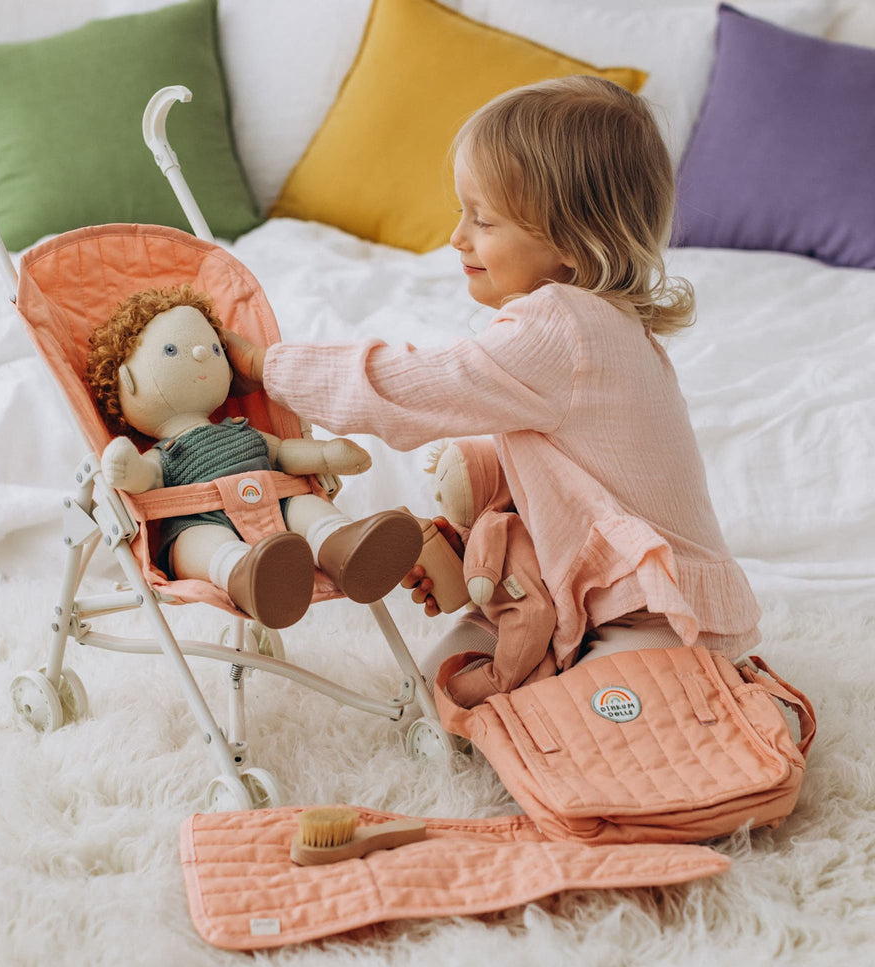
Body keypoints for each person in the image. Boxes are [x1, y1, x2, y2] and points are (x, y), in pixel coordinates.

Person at [225, 75, 760, 681]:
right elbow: (562, 474)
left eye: (482, 220)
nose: (456, 238)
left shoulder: (561, 326)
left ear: (575, 242)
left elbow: (411, 388)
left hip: (654, 607)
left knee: (600, 716)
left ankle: (741, 699)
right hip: (581, 590)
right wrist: (466, 537)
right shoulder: (603, 325)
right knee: (441, 683)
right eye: (463, 213)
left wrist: (268, 367)